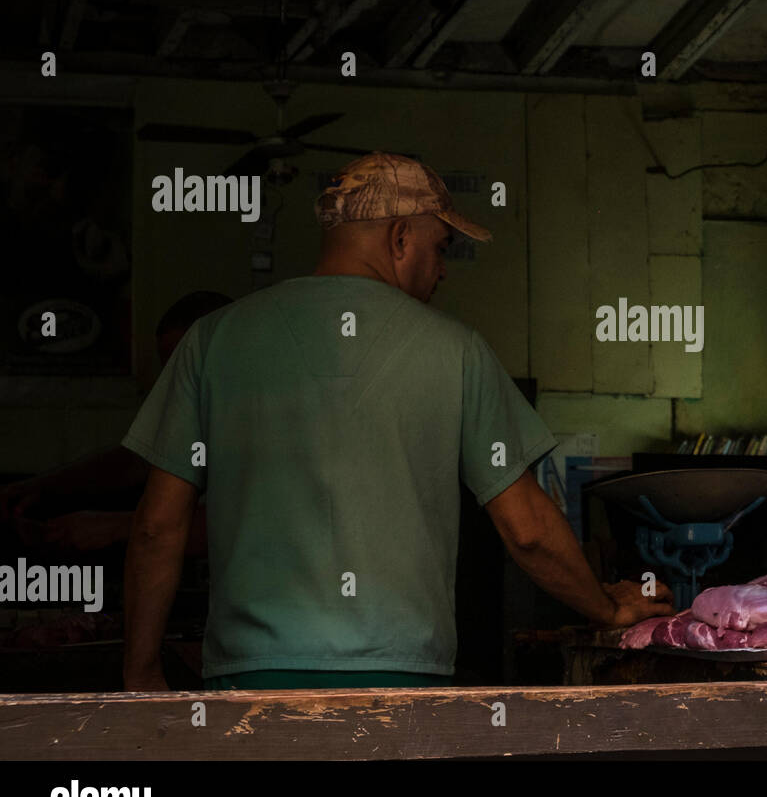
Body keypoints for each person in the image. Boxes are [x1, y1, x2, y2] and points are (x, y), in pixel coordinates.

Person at [121, 152, 673, 692]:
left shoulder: (213, 341)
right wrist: (605, 606)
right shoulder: (456, 351)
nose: (443, 271)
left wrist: (141, 672)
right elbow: (527, 530)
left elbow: (155, 527)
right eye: (442, 248)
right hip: (400, 683)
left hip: (250, 677)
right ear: (400, 237)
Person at [0, 291, 232, 553]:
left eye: (186, 367)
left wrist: (115, 527)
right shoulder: (205, 415)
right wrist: (41, 487)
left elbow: (243, 525)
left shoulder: (271, 420)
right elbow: (141, 459)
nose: (176, 384)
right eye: (170, 371)